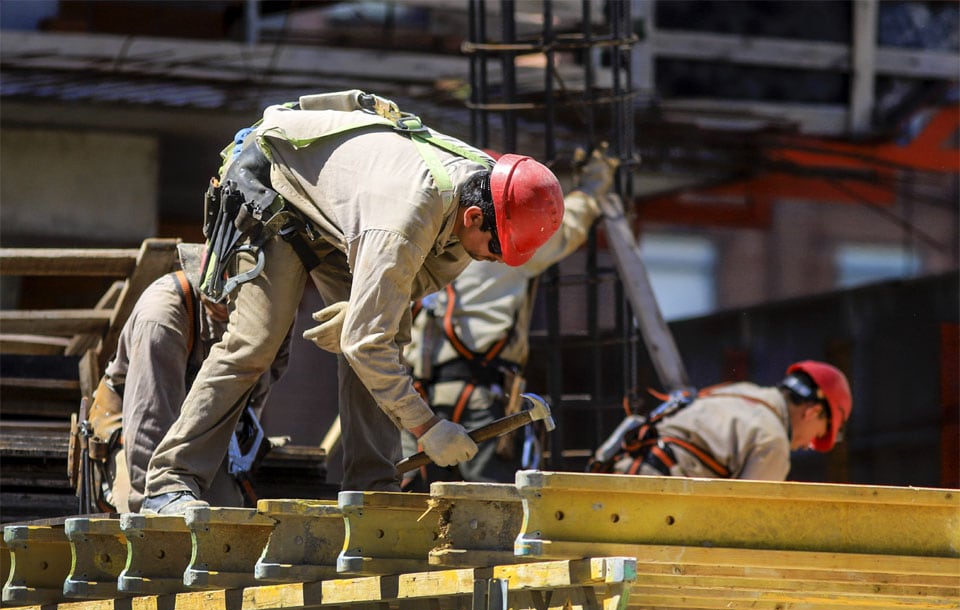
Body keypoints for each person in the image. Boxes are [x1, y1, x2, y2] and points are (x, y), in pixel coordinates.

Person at [141, 89, 564, 514]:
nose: (495, 260)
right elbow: (366, 344)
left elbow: (420, 279)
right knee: (256, 343)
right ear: (473, 218)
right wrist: (427, 427)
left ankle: (373, 491)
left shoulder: (485, 196)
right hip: (273, 186)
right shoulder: (406, 218)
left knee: (385, 330)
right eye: (496, 249)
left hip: (344, 215)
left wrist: (365, 308)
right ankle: (169, 482)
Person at [400, 146, 619, 490]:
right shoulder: (506, 244)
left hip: (418, 399)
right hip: (480, 393)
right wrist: (592, 186)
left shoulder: (436, 234)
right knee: (492, 498)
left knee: (411, 496)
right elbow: (567, 228)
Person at [77, 243, 288, 513]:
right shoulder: (162, 317)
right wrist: (152, 511)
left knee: (227, 518)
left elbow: (260, 385)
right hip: (135, 437)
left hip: (200, 433)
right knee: (151, 518)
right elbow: (147, 427)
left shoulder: (273, 312)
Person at [588, 360, 853, 481]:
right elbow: (745, 522)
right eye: (819, 434)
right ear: (812, 412)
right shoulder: (773, 441)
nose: (807, 445)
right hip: (652, 498)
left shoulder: (739, 391)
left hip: (616, 476)